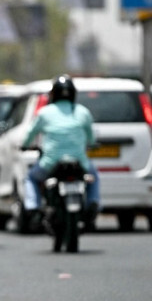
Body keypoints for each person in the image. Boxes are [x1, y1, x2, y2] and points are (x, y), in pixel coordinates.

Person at [21, 74, 100, 231]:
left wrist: (24, 146)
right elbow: (91, 138)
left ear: (54, 94)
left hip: (50, 163)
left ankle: (33, 207)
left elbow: (30, 133)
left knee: (30, 178)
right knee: (94, 177)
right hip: (79, 162)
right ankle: (93, 203)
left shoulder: (44, 112)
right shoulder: (83, 112)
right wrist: (91, 144)